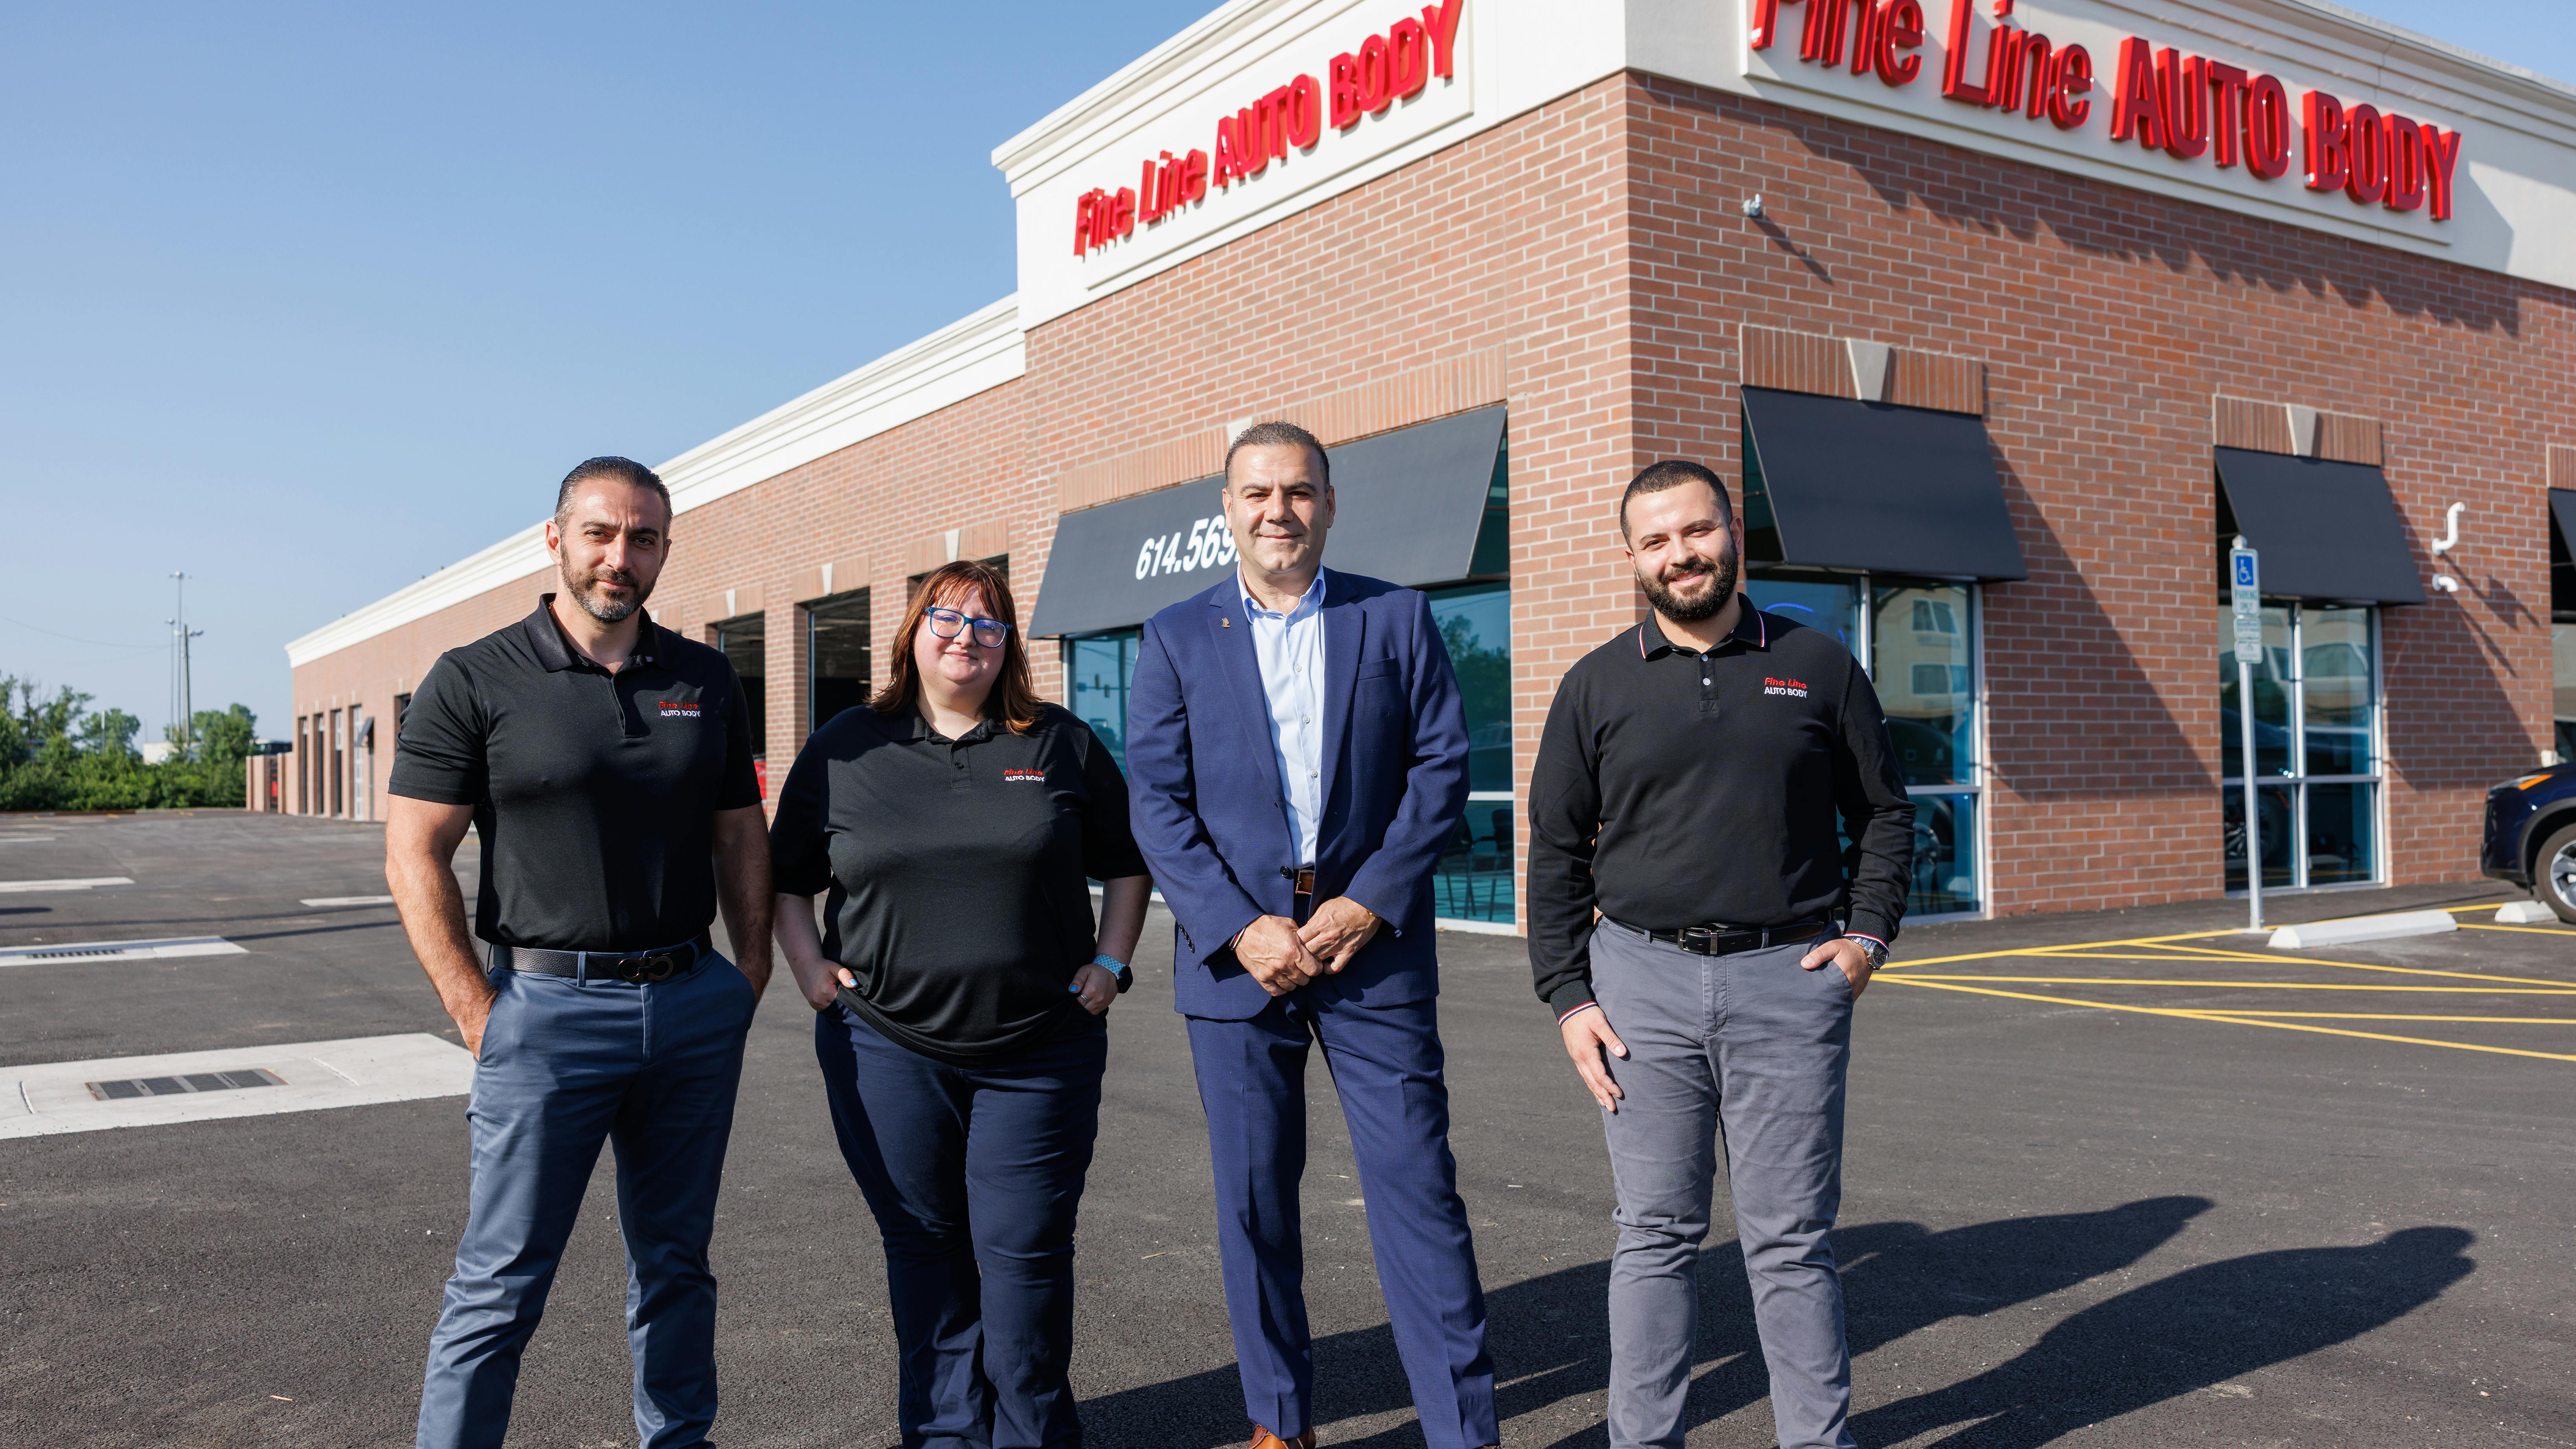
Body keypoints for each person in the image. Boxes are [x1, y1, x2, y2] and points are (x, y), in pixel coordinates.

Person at [385, 455, 774, 1449]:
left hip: (689, 1003)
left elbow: (740, 832)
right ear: (554, 540)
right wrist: (477, 1011)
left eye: (642, 537)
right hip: (546, 1013)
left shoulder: (703, 678)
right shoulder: (476, 677)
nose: (620, 555)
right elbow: (415, 850)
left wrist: (750, 972)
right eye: (600, 533)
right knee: (502, 1276)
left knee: (677, 1264)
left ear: (664, 551)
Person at [1525, 459, 1915, 1449]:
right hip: (1639, 982)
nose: (1679, 555)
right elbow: (1557, 850)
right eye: (1654, 541)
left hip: (1788, 981)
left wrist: (1865, 937)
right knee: (1654, 1236)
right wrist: (1569, 996)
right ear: (1631, 558)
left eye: (1694, 531)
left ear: (1730, 531)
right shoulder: (1595, 683)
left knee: (1790, 1241)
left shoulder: (1817, 663)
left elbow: (1882, 813)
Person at [1125, 421, 1498, 1449]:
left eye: (1297, 492)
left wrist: (1371, 899)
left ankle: (1463, 1434)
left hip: (1368, 950)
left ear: (1329, 504)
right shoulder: (1173, 637)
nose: (1277, 511)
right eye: (1256, 494)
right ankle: (1278, 1423)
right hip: (1238, 962)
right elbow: (1156, 805)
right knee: (1255, 1207)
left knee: (1419, 1195)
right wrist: (1239, 925)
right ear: (1227, 509)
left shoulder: (1397, 619)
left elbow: (1439, 770)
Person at [770, 558, 1151, 1449]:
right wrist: (808, 970)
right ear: (911, 631)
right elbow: (787, 880)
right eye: (945, 617)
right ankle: (944, 1434)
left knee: (1023, 1264)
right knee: (927, 1251)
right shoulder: (846, 746)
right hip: (887, 1048)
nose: (965, 637)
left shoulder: (1057, 741)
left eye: (987, 623)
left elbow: (1127, 864)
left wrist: (1111, 963)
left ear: (1008, 643)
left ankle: (1033, 1434)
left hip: (1040, 1049)